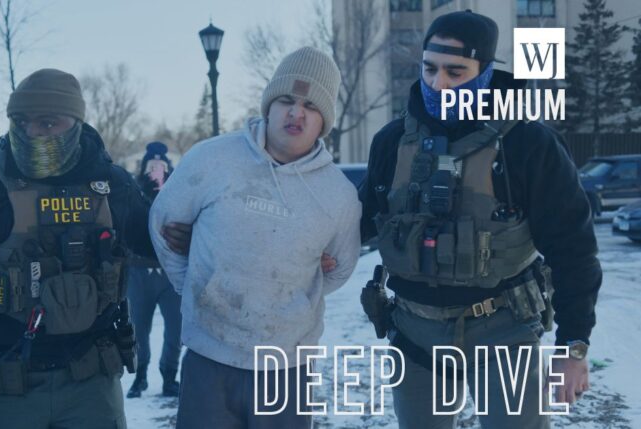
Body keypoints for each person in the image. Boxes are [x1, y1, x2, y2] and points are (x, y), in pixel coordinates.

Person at [358, 10, 602, 429]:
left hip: (503, 331)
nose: (439, 84)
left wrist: (573, 347)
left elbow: (573, 250)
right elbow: (355, 222)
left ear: (486, 71)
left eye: (456, 71)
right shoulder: (392, 141)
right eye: (429, 69)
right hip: (414, 335)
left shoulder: (528, 143)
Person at [0, 69, 154, 429]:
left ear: (76, 123)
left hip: (93, 386)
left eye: (48, 123)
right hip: (9, 389)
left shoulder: (112, 186)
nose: (32, 133)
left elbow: (161, 242)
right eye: (21, 122)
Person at [150, 46, 362, 429]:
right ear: (269, 105)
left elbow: (340, 267)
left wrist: (291, 296)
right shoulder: (211, 159)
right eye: (286, 100)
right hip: (209, 358)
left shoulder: (339, 195)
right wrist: (197, 287)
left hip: (286, 367)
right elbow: (164, 225)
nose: (296, 113)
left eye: (310, 106)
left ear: (324, 120)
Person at [126, 141, 182, 399]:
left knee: (176, 329)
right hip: (139, 272)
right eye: (151, 165)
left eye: (160, 165)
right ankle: (140, 377)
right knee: (139, 329)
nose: (156, 170)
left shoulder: (180, 192)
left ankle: (170, 376)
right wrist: (144, 195)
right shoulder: (132, 193)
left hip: (171, 272)